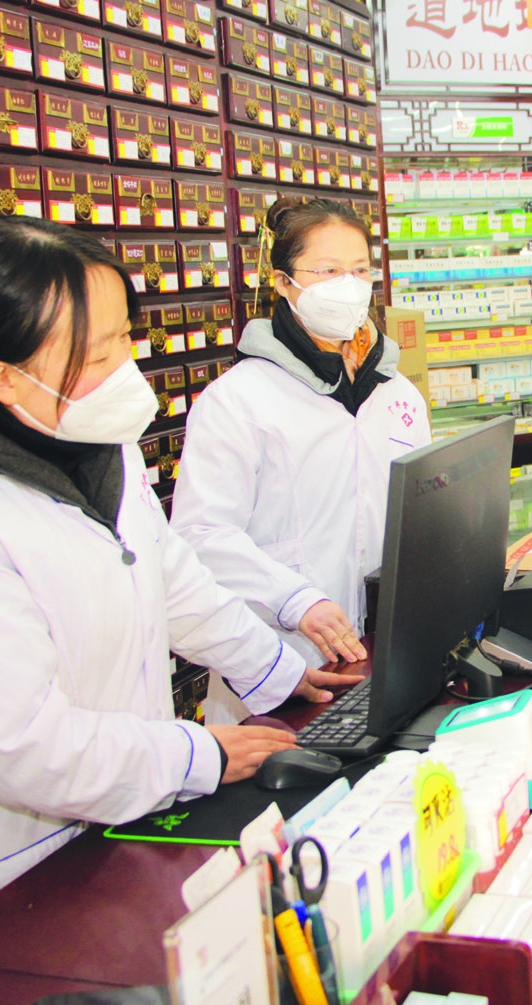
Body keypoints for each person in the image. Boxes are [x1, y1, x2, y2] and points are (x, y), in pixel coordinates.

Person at [0, 217, 359, 952]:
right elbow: (19, 744)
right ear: (3, 378)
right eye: (96, 355)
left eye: (124, 337)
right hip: (9, 885)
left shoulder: (94, 446)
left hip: (125, 830)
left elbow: (173, 581)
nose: (125, 369)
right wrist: (198, 756)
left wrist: (281, 674)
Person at [171, 198, 430, 673]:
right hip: (284, 657)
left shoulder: (398, 393)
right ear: (282, 282)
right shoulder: (237, 399)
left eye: (359, 270)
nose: (348, 286)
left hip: (386, 646)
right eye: (328, 271)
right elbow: (200, 536)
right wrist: (293, 599)